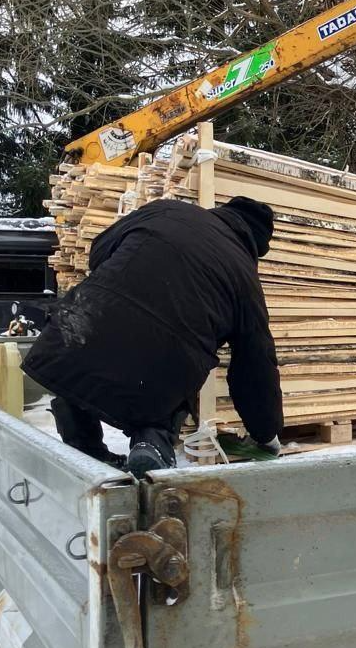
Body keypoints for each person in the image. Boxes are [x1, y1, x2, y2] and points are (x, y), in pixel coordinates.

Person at [22, 195, 283, 475]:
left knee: (74, 368)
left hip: (80, 328)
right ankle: (151, 442)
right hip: (159, 367)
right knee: (173, 372)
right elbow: (255, 367)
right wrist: (266, 432)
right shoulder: (245, 277)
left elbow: (99, 250)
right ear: (254, 245)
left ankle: (83, 447)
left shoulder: (166, 209)